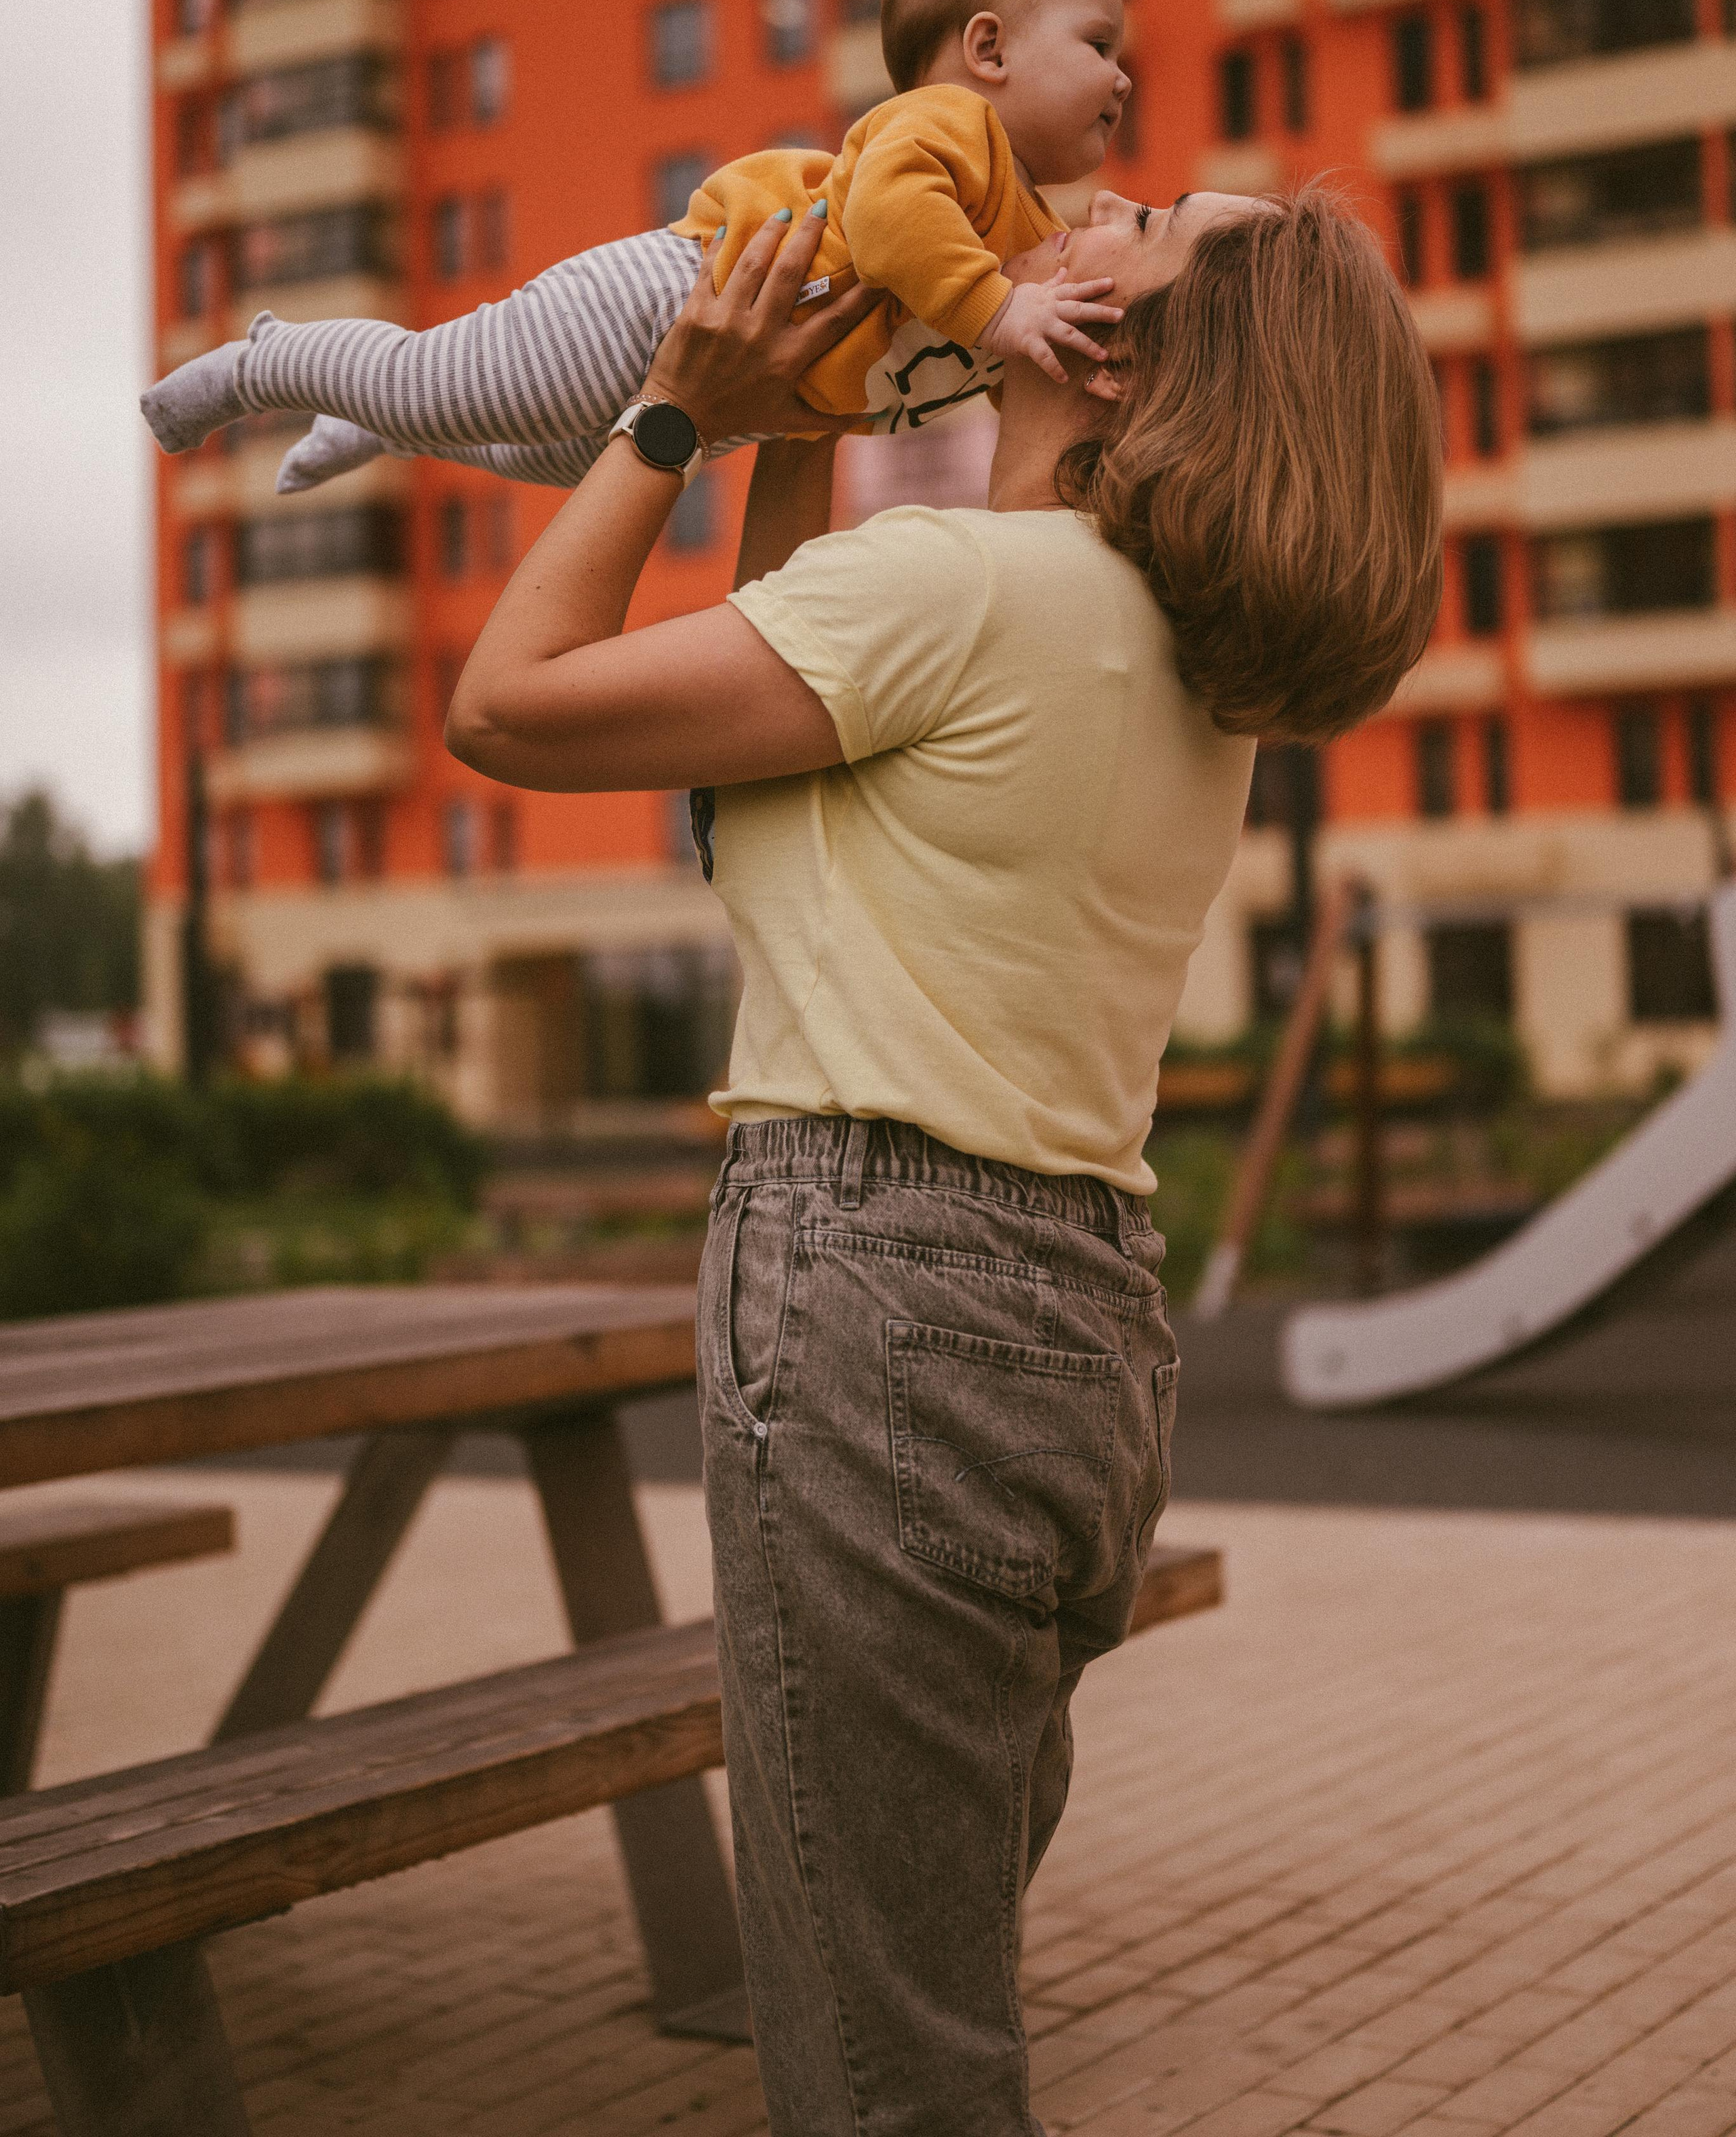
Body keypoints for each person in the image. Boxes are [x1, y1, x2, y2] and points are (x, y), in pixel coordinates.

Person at [444, 185, 1443, 2137]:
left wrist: (674, 408)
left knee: (888, 2070)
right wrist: (805, 418)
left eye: (1133, 227)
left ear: (1121, 350)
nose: (1068, 199)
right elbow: (770, 767)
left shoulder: (957, 597)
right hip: (1071, 1333)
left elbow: (504, 705)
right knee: (920, 1983)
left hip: (878, 1311)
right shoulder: (1156, 647)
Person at [138, 0, 1130, 493]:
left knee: (560, 458)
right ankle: (265, 362)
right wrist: (1005, 314)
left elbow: (996, 371)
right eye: (1099, 47)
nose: (1123, 80)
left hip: (746, 390)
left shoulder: (1033, 236)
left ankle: (387, 425)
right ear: (989, 49)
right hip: (677, 293)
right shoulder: (951, 127)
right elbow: (890, 219)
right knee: (450, 378)